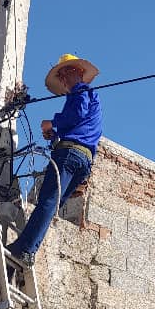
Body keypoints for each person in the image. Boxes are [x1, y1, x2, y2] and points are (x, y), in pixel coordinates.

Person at [8, 53, 102, 266]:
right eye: (60, 75)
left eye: (64, 73)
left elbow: (76, 114)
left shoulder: (80, 91)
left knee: (48, 200)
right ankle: (29, 249)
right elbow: (80, 123)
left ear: (77, 72)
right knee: (53, 204)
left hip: (69, 154)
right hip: (83, 161)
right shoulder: (89, 97)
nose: (62, 79)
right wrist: (56, 132)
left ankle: (25, 248)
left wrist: (53, 123)